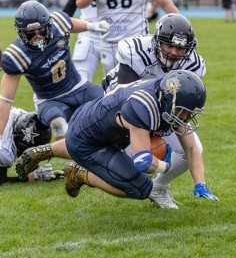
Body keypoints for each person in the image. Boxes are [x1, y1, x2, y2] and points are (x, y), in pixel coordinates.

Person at [19, 13, 207, 209]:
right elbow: (127, 99)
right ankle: (76, 168)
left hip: (160, 106)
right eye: (170, 45)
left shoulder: (193, 64)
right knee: (133, 158)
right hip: (123, 102)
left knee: (191, 149)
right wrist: (158, 156)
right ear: (157, 41)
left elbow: (184, 101)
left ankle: (158, 188)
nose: (175, 53)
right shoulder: (137, 51)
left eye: (180, 48)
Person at [20, 71, 218, 204]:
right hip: (87, 138)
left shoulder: (164, 97)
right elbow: (142, 160)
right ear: (169, 99)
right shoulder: (145, 105)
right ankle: (80, 174)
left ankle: (45, 151)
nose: (185, 117)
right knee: (141, 188)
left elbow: (191, 147)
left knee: (131, 169)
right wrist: (164, 166)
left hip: (102, 125)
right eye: (183, 112)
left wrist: (200, 183)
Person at [0, 0, 109, 160]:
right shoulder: (18, 55)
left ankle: (116, 147)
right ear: (21, 33)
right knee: (58, 124)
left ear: (49, 25)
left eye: (40, 30)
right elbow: (5, 99)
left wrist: (90, 26)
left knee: (109, 102)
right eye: (30, 33)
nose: (37, 37)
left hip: (79, 87)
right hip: (50, 100)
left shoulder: (58, 24)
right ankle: (79, 160)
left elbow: (69, 23)